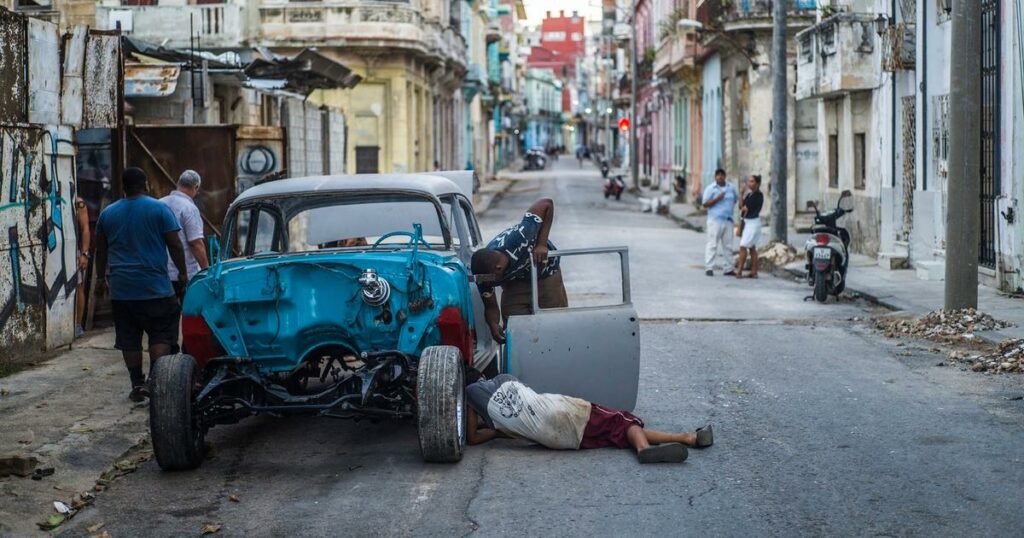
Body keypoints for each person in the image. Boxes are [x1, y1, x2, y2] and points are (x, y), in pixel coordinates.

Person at [465, 373, 714, 463]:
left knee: (614, 433)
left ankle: (688, 438)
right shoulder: (504, 378)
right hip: (561, 412)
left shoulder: (483, 408)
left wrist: (485, 421)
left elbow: (474, 437)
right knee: (621, 420)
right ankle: (644, 450)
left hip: (553, 439)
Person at [94, 167, 188, 402]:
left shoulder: (108, 214)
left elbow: (101, 251)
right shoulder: (159, 209)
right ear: (145, 184)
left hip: (122, 290)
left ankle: (137, 384)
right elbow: (175, 245)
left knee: (129, 338)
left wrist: (99, 279)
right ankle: (155, 382)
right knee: (161, 335)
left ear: (123, 187)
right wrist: (184, 273)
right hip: (155, 287)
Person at [470, 198, 567, 344]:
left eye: (490, 282)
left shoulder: (520, 236)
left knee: (553, 328)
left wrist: (541, 243)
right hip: (515, 283)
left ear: (498, 269)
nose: (487, 285)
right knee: (515, 331)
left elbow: (546, 203)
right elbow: (490, 306)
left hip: (546, 276)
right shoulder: (484, 274)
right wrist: (494, 325)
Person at [160, 170, 209, 301]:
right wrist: (206, 271)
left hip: (159, 273)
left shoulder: (159, 204)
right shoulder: (189, 208)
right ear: (196, 188)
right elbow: (195, 244)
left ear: (178, 183)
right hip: (183, 275)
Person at [702, 168, 738, 277]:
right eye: (718, 175)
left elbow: (735, 200)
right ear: (715, 177)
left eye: (722, 175)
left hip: (728, 220)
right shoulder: (711, 188)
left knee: (728, 245)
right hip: (715, 220)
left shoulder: (731, 188)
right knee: (712, 244)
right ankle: (709, 267)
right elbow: (705, 204)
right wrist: (717, 199)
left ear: (725, 176)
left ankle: (728, 268)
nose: (720, 177)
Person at [736, 175, 764, 279]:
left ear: (757, 184)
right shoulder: (749, 195)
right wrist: (741, 193)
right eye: (749, 181)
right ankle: (754, 271)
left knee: (743, 246)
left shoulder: (758, 195)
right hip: (749, 223)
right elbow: (740, 206)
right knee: (752, 248)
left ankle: (739, 271)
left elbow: (744, 209)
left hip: (752, 223)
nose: (749, 183)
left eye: (752, 181)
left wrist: (743, 209)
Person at [74, 196, 91, 339]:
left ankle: (78, 325)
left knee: (78, 286)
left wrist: (84, 253)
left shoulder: (78, 203)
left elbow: (85, 228)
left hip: (74, 251)